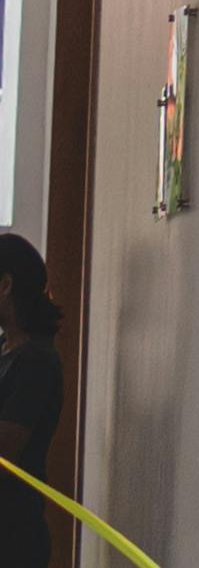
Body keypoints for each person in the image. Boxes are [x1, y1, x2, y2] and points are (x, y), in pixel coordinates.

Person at [0, 232, 62, 568]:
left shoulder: (36, 361)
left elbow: (5, 451)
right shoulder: (5, 351)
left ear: (5, 285)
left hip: (12, 541)